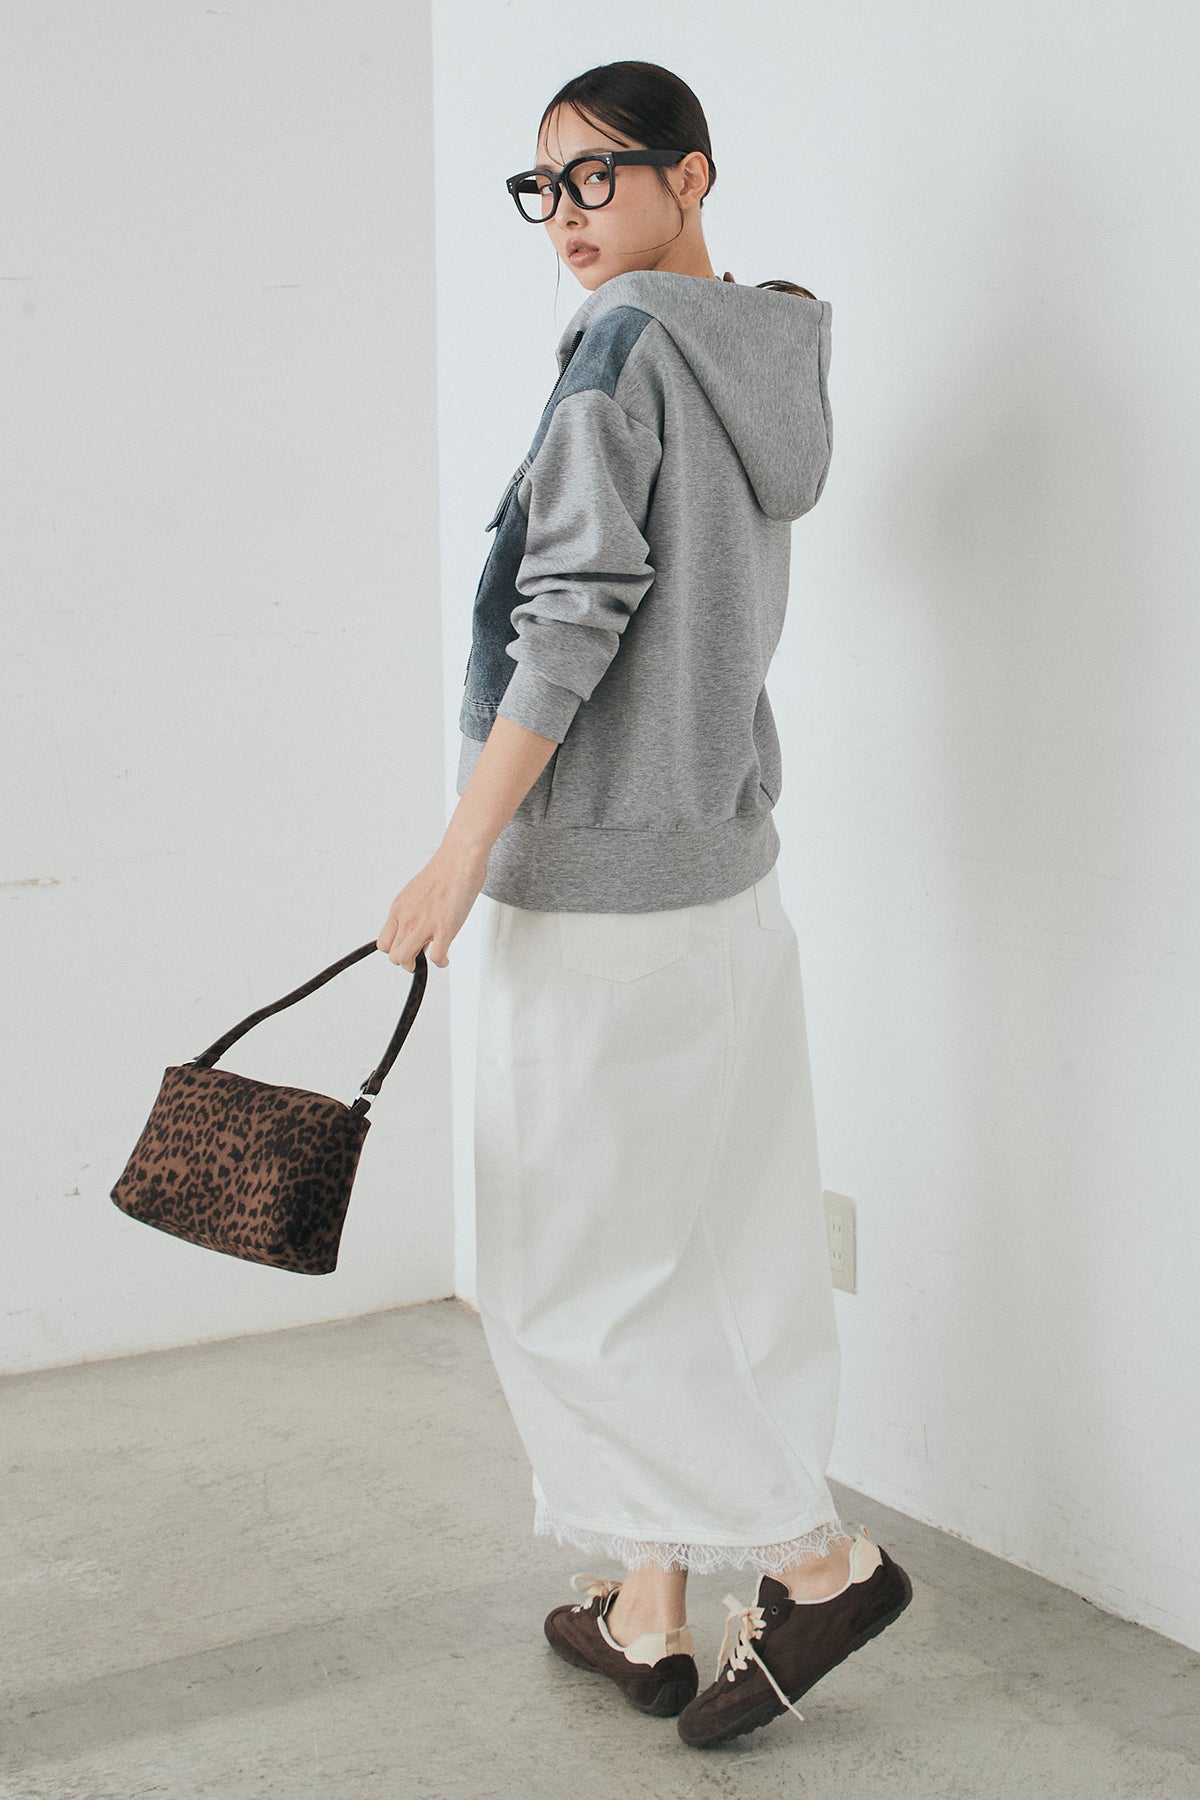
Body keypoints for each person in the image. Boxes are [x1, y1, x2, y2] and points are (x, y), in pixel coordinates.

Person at [376, 59, 912, 1750]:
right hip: (725, 883)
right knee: (717, 1250)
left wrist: (462, 849)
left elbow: (574, 613)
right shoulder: (760, 351)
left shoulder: (621, 349)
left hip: (604, 890)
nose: (567, 217)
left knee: (564, 1274)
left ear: (692, 173)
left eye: (598, 175)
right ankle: (649, 1607)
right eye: (543, 187)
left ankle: (818, 1567)